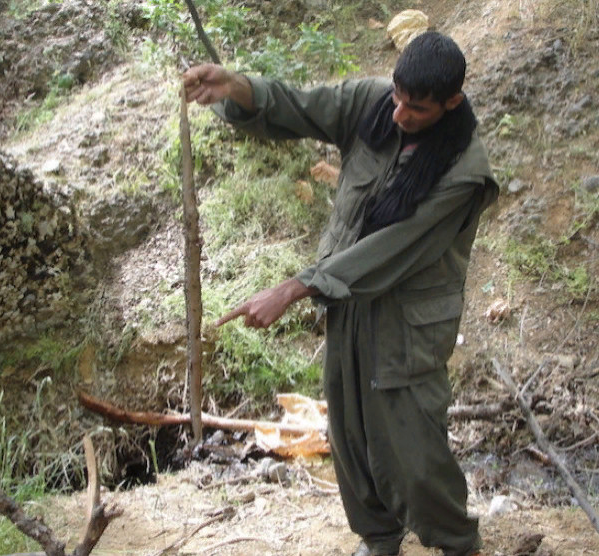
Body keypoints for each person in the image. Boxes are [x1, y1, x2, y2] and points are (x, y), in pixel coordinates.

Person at [182, 31, 498, 556]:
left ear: (451, 104)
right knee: (350, 432)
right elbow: (302, 106)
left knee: (414, 448)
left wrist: (294, 287)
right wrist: (237, 86)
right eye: (397, 98)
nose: (399, 115)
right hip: (348, 304)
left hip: (408, 321)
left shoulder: (465, 171)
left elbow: (392, 248)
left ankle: (456, 542)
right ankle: (378, 539)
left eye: (416, 109)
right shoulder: (374, 102)